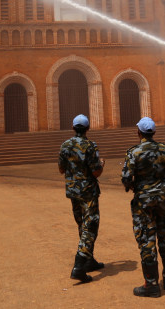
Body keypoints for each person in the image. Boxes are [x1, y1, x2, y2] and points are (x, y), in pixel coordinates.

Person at [121, 117, 165, 297]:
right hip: (162, 198)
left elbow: (126, 179)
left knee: (146, 238)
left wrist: (133, 185)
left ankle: (151, 284)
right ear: (153, 132)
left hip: (143, 201)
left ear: (139, 132)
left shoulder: (134, 152)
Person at [58, 114, 105, 283]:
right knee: (90, 225)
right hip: (88, 192)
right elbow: (96, 172)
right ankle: (79, 266)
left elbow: (61, 170)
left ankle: (89, 260)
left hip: (73, 191)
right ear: (87, 128)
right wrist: (102, 165)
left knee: (82, 224)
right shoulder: (90, 146)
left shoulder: (65, 145)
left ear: (72, 128)